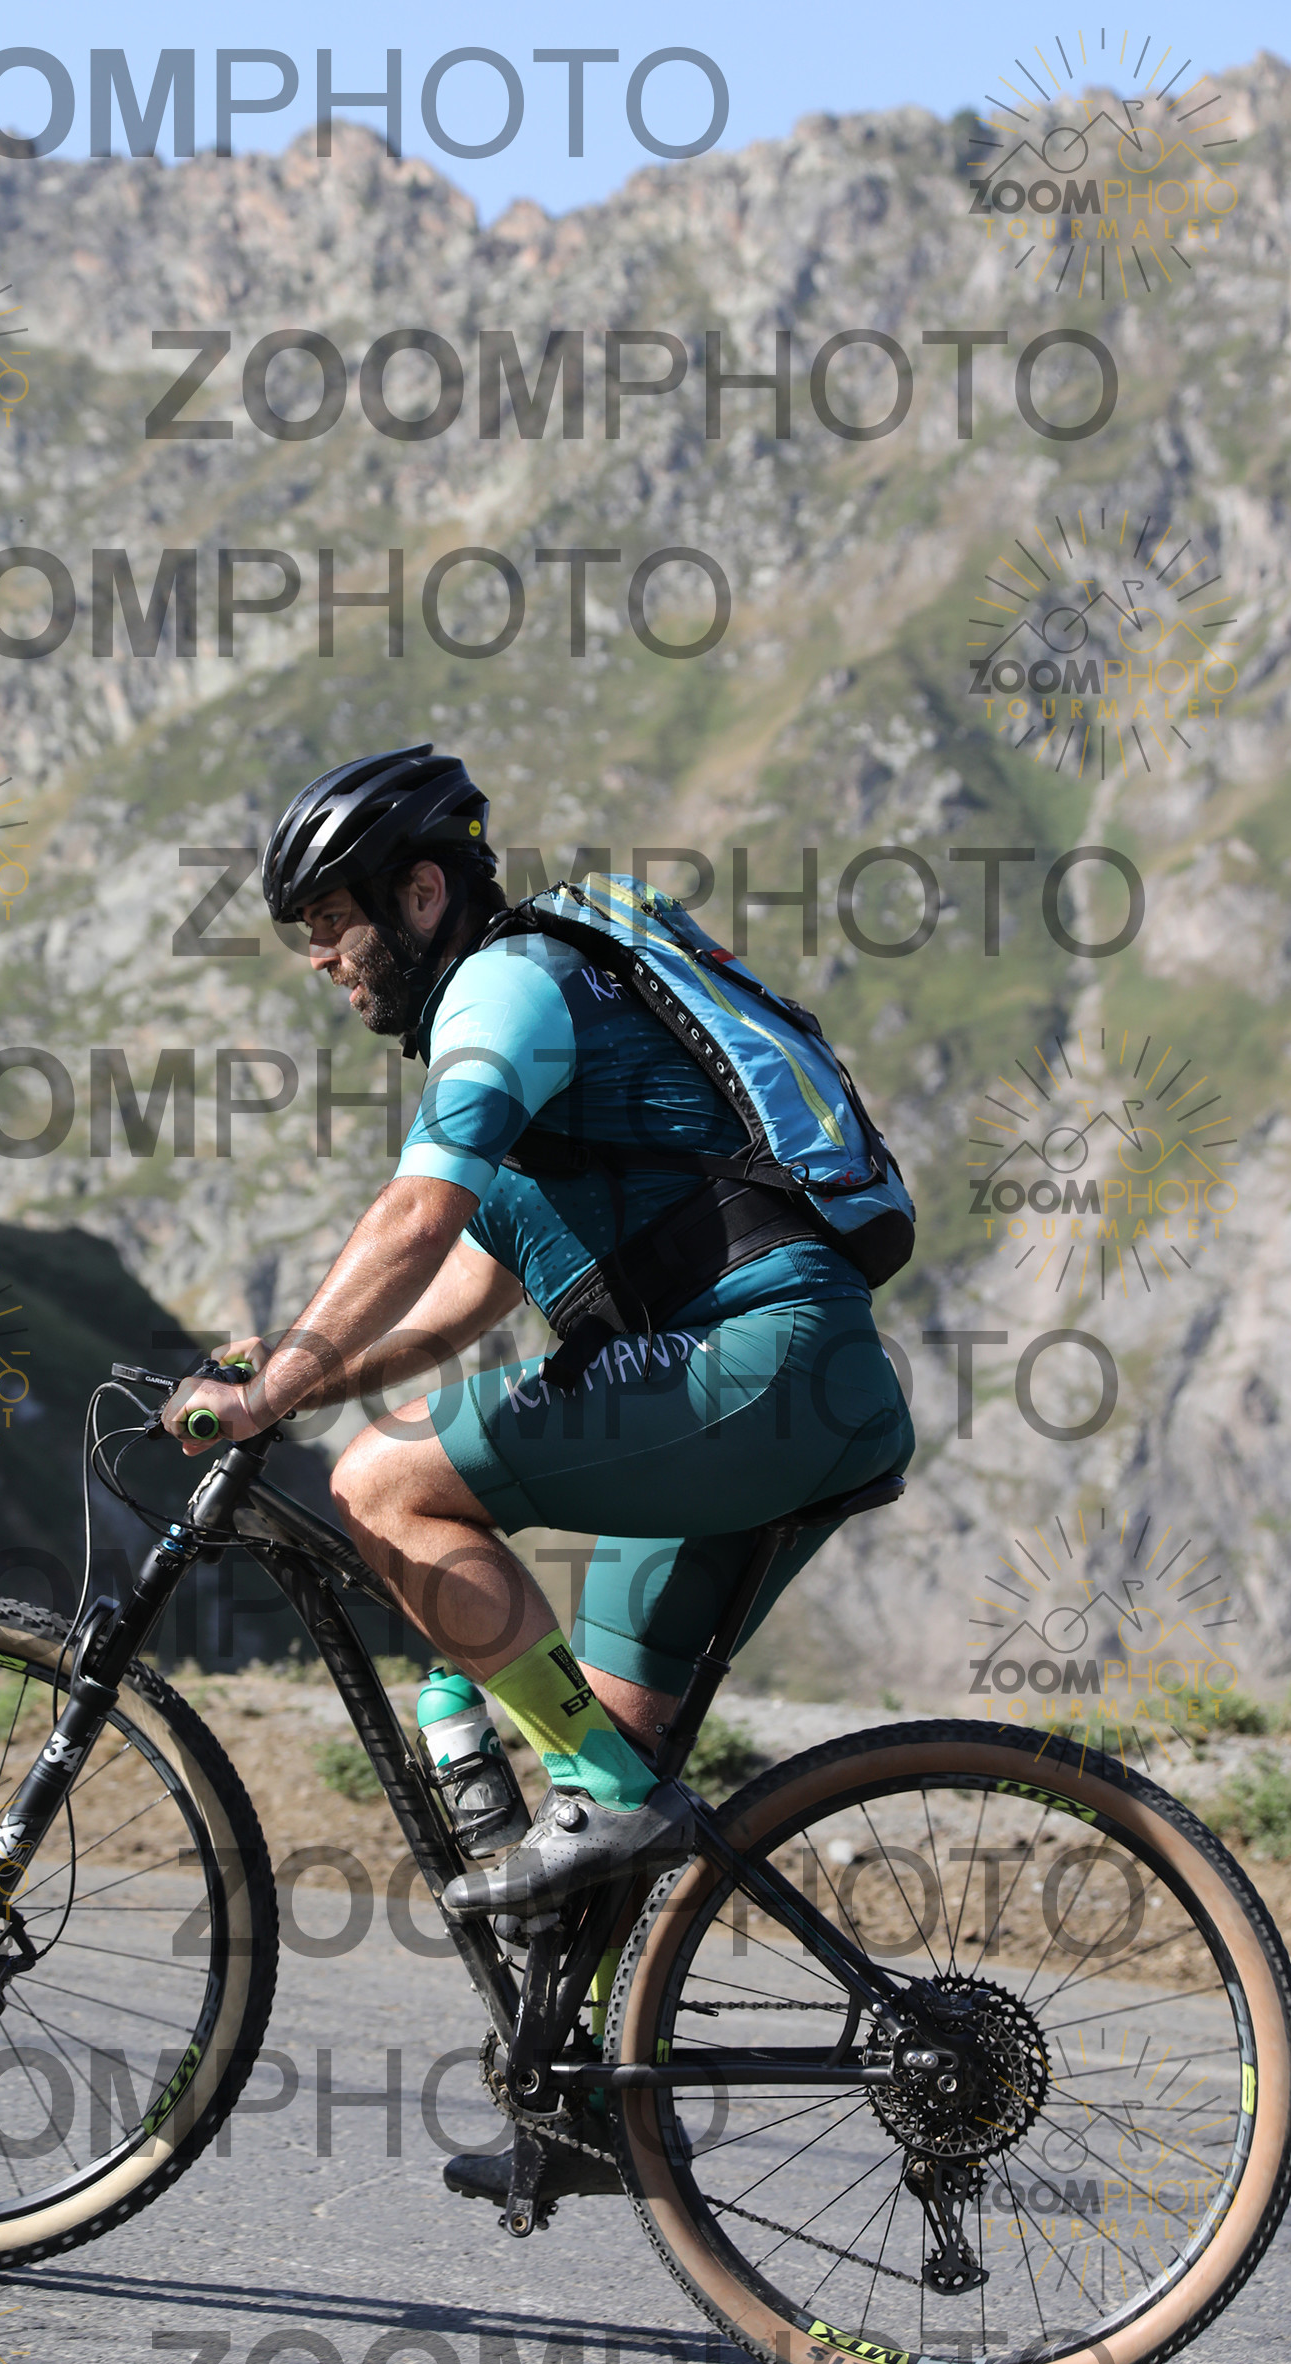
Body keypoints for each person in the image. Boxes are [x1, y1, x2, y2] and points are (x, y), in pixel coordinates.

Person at [164, 743, 914, 2197]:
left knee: (382, 1488)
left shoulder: (507, 988)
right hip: (791, 1389)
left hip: (753, 1368)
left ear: (420, 892)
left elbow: (415, 1213)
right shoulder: (556, 1039)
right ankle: (589, 2114)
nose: (320, 958)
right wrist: (295, 1368)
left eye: (332, 921)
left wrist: (282, 1394)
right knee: (608, 1779)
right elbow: (461, 1292)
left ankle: (587, 1798)